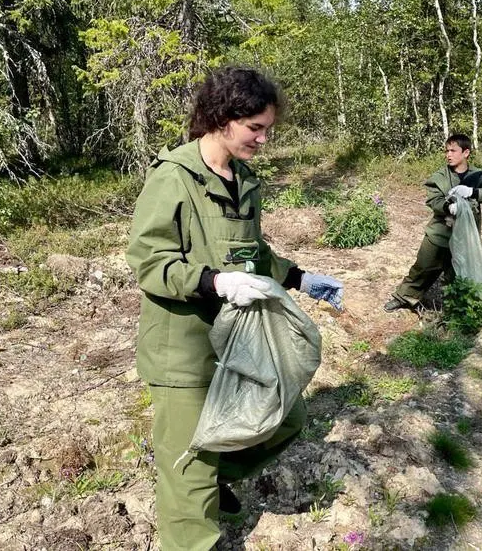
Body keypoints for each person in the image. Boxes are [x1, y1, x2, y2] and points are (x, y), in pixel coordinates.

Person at [125, 66, 344, 551]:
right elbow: (149, 262)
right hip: (182, 347)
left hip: (237, 337)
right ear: (223, 118)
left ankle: (214, 473)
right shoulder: (174, 178)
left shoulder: (244, 180)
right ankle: (194, 523)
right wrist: (214, 281)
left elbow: (254, 252)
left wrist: (299, 277)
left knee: (284, 419)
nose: (264, 139)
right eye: (255, 128)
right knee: (189, 465)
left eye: (268, 129)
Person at [384, 134, 482, 312]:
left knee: (458, 273)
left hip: (465, 236)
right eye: (447, 151)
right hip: (440, 232)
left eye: (453, 150)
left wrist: (473, 192)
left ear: (466, 152)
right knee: (423, 267)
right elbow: (434, 200)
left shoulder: (479, 176)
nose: (448, 155)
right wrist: (447, 207)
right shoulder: (440, 176)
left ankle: (456, 309)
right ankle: (404, 297)